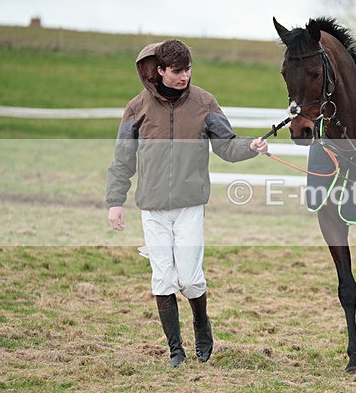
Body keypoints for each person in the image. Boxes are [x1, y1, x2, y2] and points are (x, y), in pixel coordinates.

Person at [106, 39, 268, 367]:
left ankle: (202, 325)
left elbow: (226, 146)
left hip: (190, 205)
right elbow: (123, 158)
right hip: (152, 208)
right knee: (163, 279)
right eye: (177, 71)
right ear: (160, 70)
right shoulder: (135, 108)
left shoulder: (205, 103)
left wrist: (251, 146)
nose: (184, 77)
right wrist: (115, 201)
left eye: (188, 70)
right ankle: (176, 350)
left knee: (191, 279)